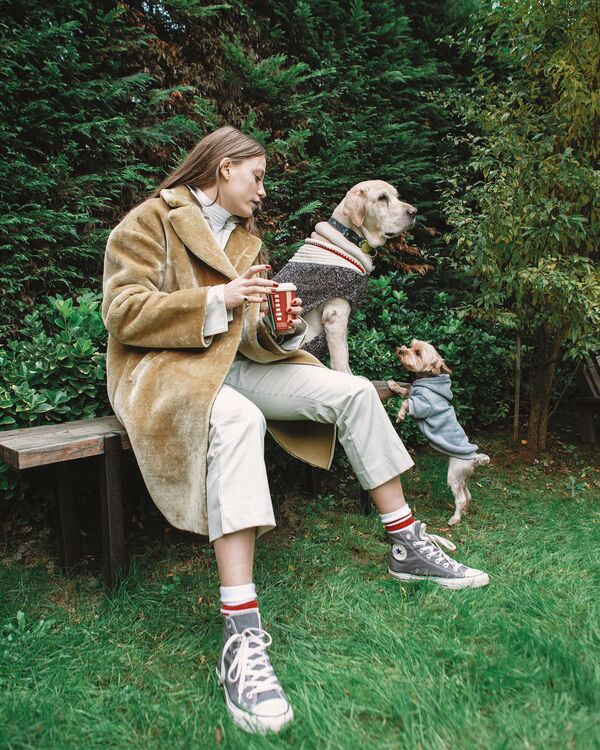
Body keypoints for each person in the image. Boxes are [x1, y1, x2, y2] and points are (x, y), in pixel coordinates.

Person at [102, 125, 489, 736]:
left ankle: (407, 544)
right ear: (224, 168)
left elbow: (248, 329)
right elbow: (122, 312)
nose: (263, 190)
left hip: (235, 365)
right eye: (256, 177)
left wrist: (278, 329)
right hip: (167, 372)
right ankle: (241, 630)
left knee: (354, 390)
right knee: (240, 418)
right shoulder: (150, 220)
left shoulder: (246, 239)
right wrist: (222, 299)